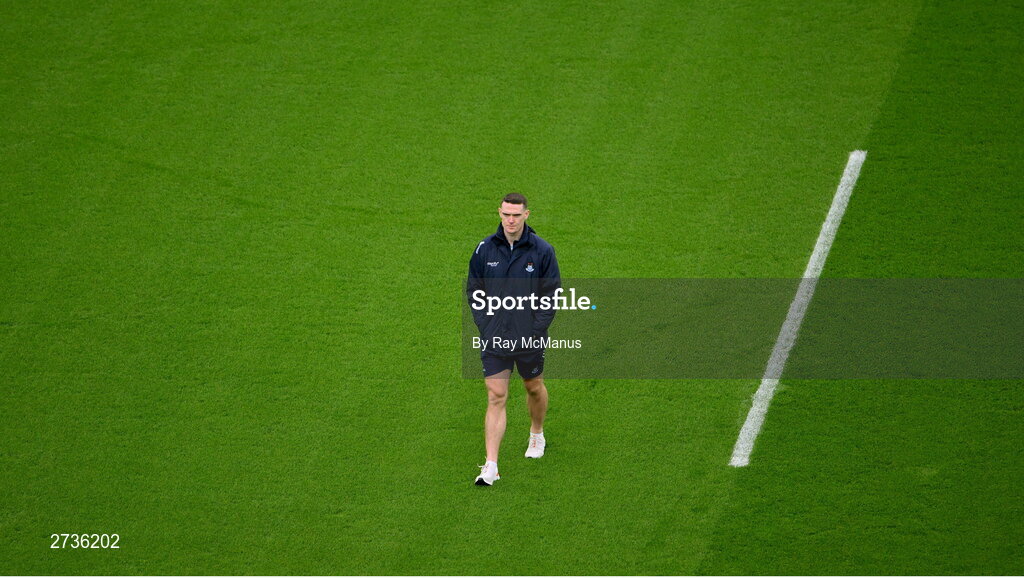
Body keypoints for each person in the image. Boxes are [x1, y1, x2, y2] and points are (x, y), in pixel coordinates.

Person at [466, 193, 561, 486]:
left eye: (516, 215)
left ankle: (536, 433)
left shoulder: (542, 251)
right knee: (496, 395)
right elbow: (474, 291)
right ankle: (491, 466)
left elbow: (551, 295)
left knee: (533, 387)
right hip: (495, 337)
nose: (510, 220)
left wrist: (534, 331)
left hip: (529, 337)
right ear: (499, 213)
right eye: (506, 214)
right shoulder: (484, 249)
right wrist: (485, 325)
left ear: (526, 215)